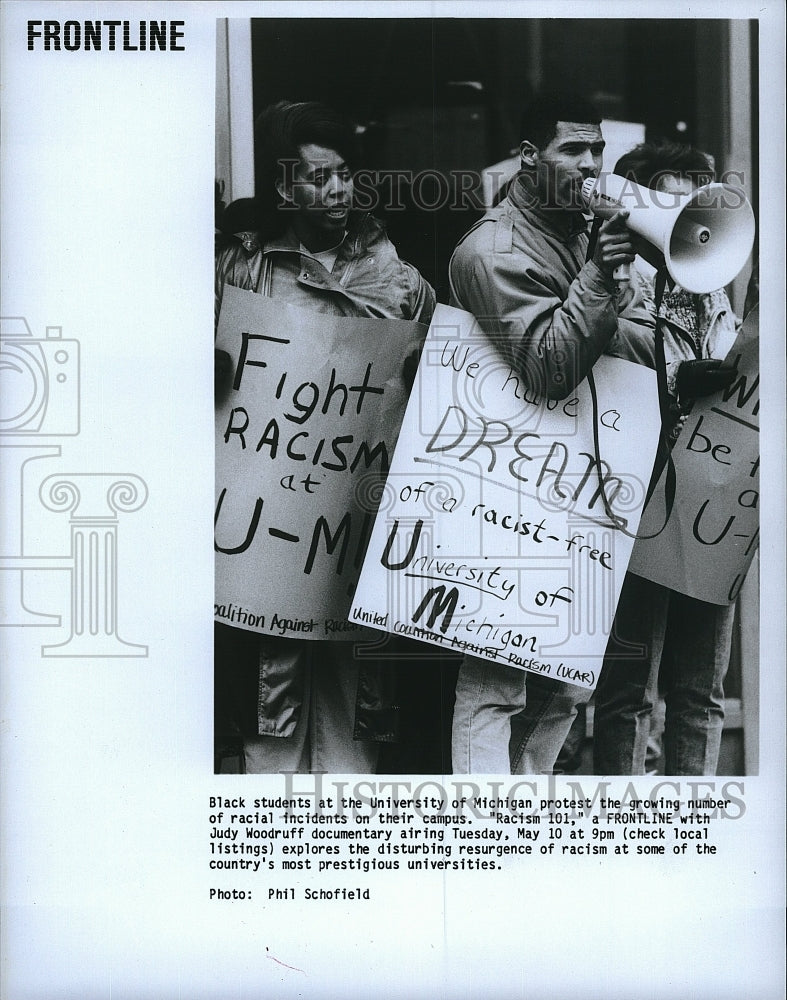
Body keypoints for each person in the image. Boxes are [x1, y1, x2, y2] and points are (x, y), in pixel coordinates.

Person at [214, 100, 435, 774]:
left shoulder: (397, 281)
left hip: (350, 526)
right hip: (266, 527)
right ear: (284, 188)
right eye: (317, 178)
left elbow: (434, 387)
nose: (335, 191)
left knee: (354, 709)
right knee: (267, 705)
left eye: (343, 175)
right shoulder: (240, 273)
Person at [447, 92, 655, 774]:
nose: (591, 165)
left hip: (573, 487)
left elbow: (613, 345)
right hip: (503, 493)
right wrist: (599, 275)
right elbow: (548, 366)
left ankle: (525, 821)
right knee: (496, 684)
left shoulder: (575, 233)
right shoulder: (491, 249)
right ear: (530, 158)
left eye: (598, 150)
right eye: (574, 150)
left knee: (566, 682)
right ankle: (484, 835)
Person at [592, 140, 740, 776]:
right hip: (640, 499)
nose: (690, 217)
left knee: (700, 691)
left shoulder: (714, 291)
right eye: (673, 201)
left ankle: (692, 827)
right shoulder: (614, 289)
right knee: (629, 692)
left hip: (713, 504)